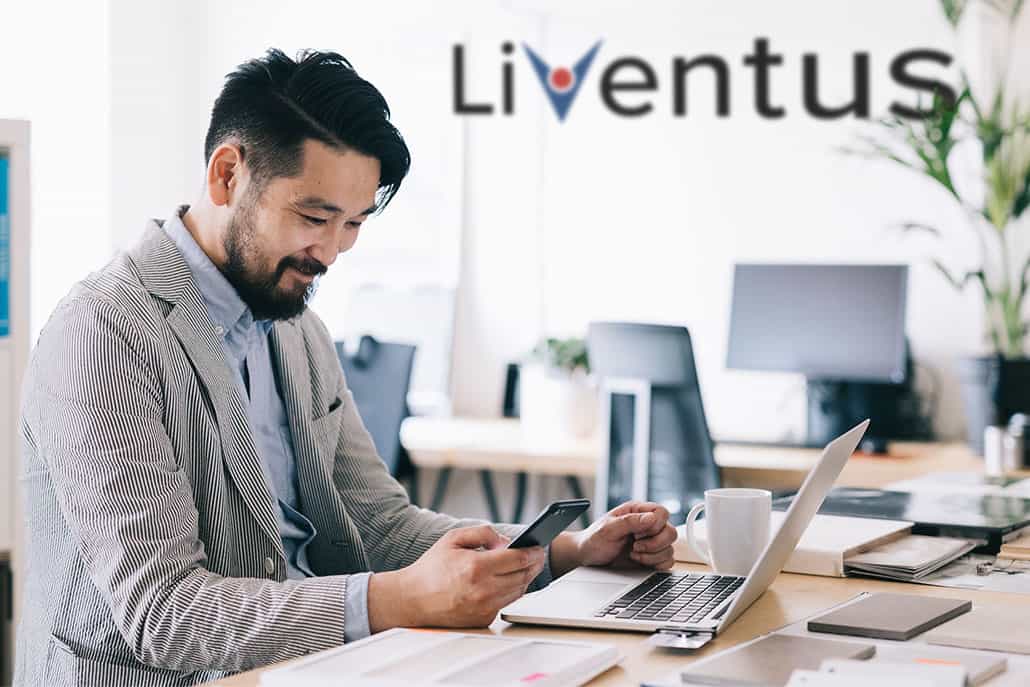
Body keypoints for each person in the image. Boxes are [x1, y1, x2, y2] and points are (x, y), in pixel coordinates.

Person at [15, 49, 677, 686]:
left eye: (354, 223)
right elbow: (164, 612)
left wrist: (563, 552)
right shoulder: (103, 334)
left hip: (314, 670)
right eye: (314, 216)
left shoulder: (297, 327)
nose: (331, 251)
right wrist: (395, 600)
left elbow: (380, 523)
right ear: (226, 175)